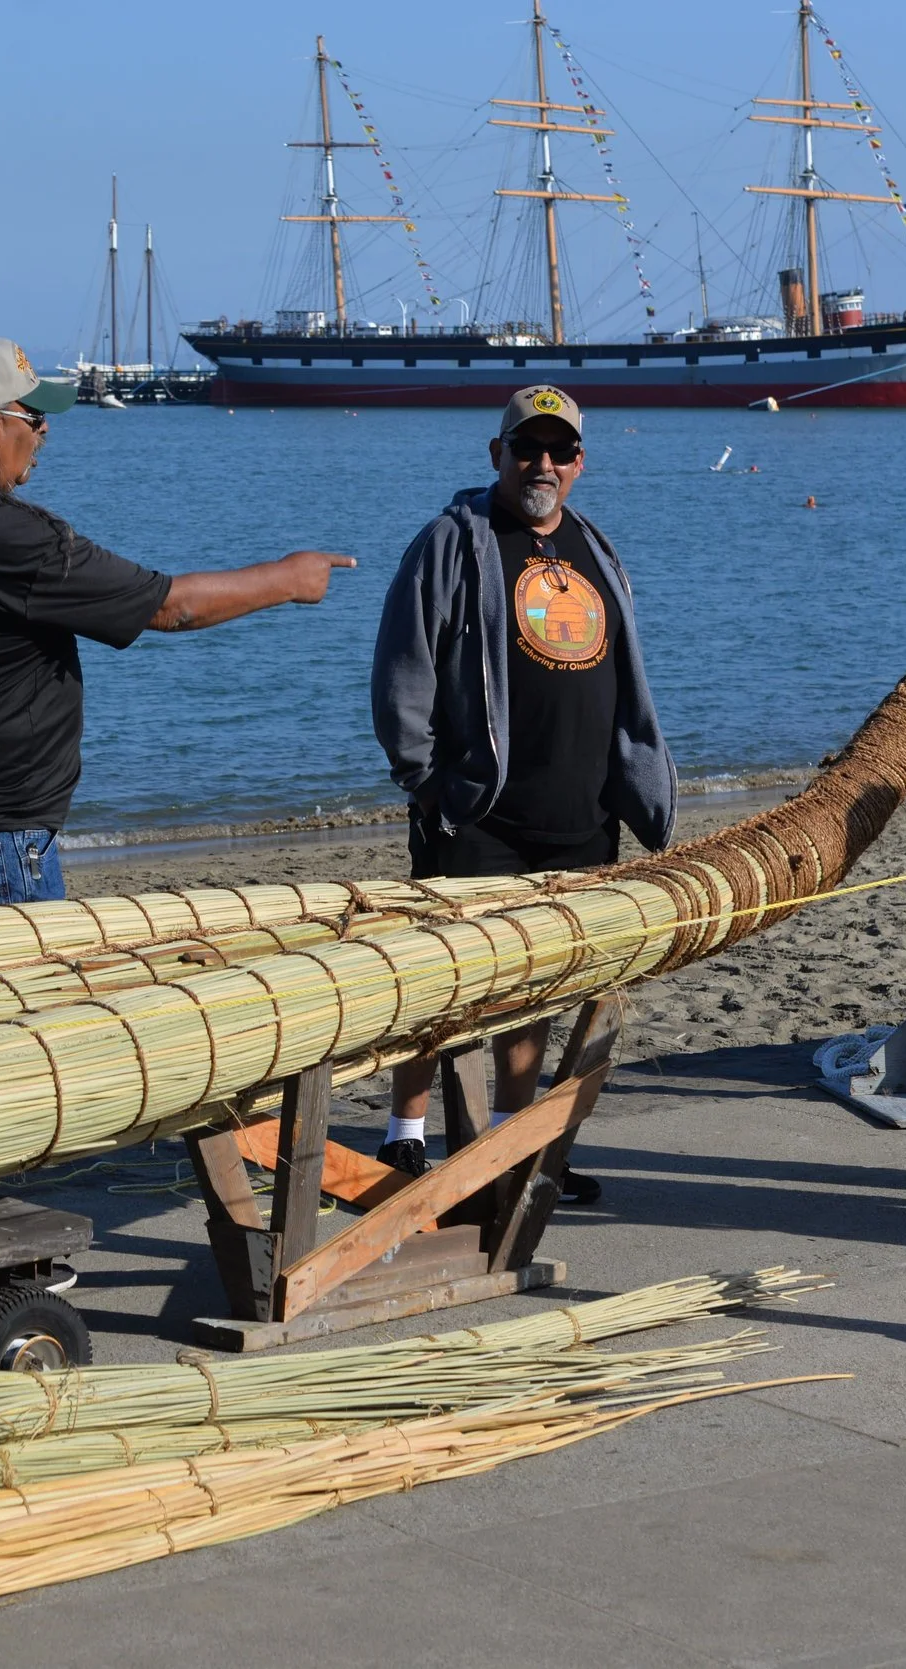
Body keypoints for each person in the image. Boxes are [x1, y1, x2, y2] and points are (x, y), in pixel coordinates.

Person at [0, 337, 354, 913]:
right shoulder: (6, 536)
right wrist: (289, 578)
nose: (45, 431)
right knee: (14, 975)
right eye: (35, 417)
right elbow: (170, 606)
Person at [370, 385, 677, 1192]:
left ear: (580, 462)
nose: (543, 463)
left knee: (537, 989)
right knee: (443, 978)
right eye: (527, 448)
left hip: (580, 816)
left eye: (560, 450)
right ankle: (404, 1136)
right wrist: (426, 783)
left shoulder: (594, 547)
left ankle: (510, 1148)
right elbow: (403, 667)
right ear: (496, 454)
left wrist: (633, 782)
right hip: (478, 813)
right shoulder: (452, 540)